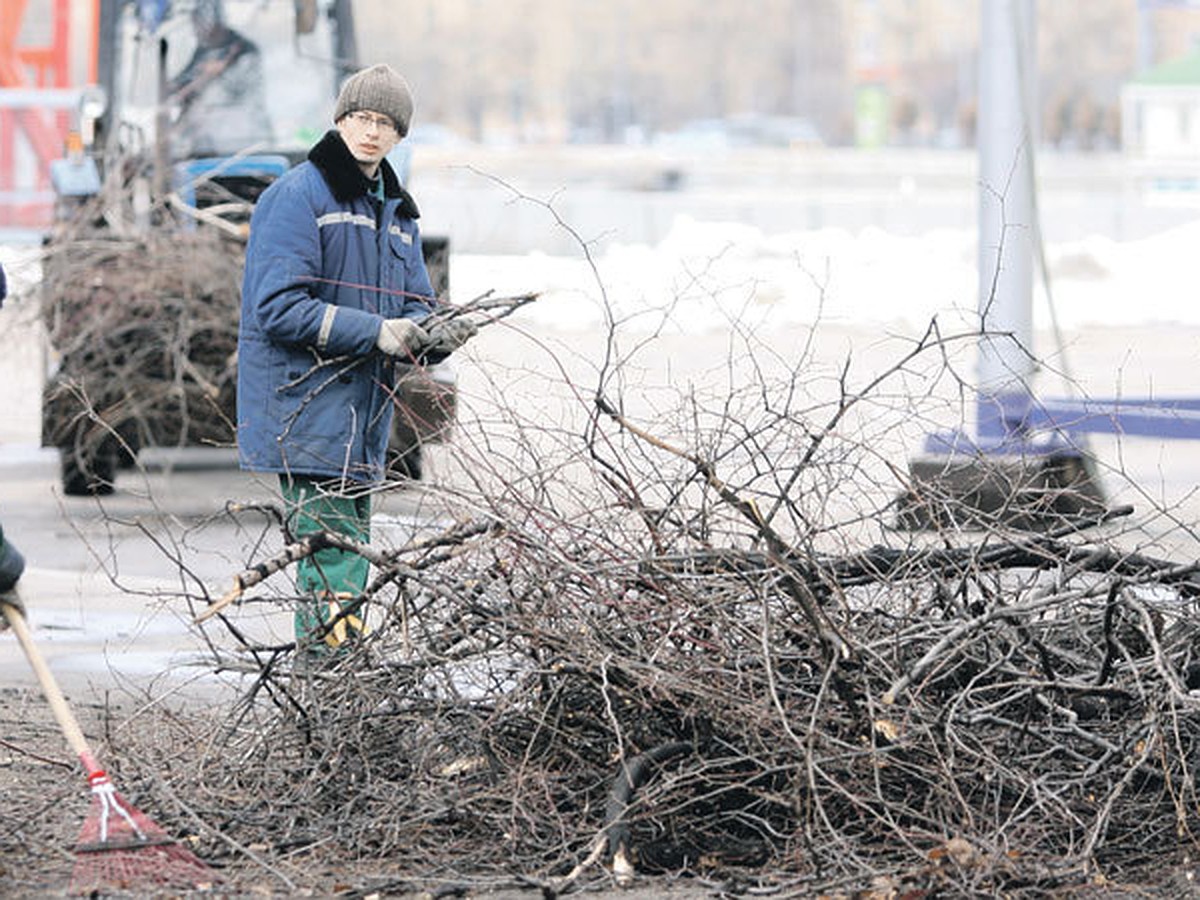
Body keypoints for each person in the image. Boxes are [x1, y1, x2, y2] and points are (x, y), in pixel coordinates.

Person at [237, 64, 476, 654]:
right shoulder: (297, 198)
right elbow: (277, 308)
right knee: (334, 565)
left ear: (400, 135)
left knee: (345, 562)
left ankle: (336, 688)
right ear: (340, 121)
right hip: (308, 410)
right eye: (361, 118)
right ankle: (328, 688)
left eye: (385, 123)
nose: (371, 132)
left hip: (361, 419)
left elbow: (416, 309)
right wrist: (379, 334)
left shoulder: (395, 212)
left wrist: (439, 332)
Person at [166, 0, 272, 157]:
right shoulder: (204, 50)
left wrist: (218, 74)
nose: (195, 29)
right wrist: (173, 88)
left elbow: (242, 93)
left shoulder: (244, 51)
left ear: (212, 20)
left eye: (198, 22)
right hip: (203, 145)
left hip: (241, 141)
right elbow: (183, 82)